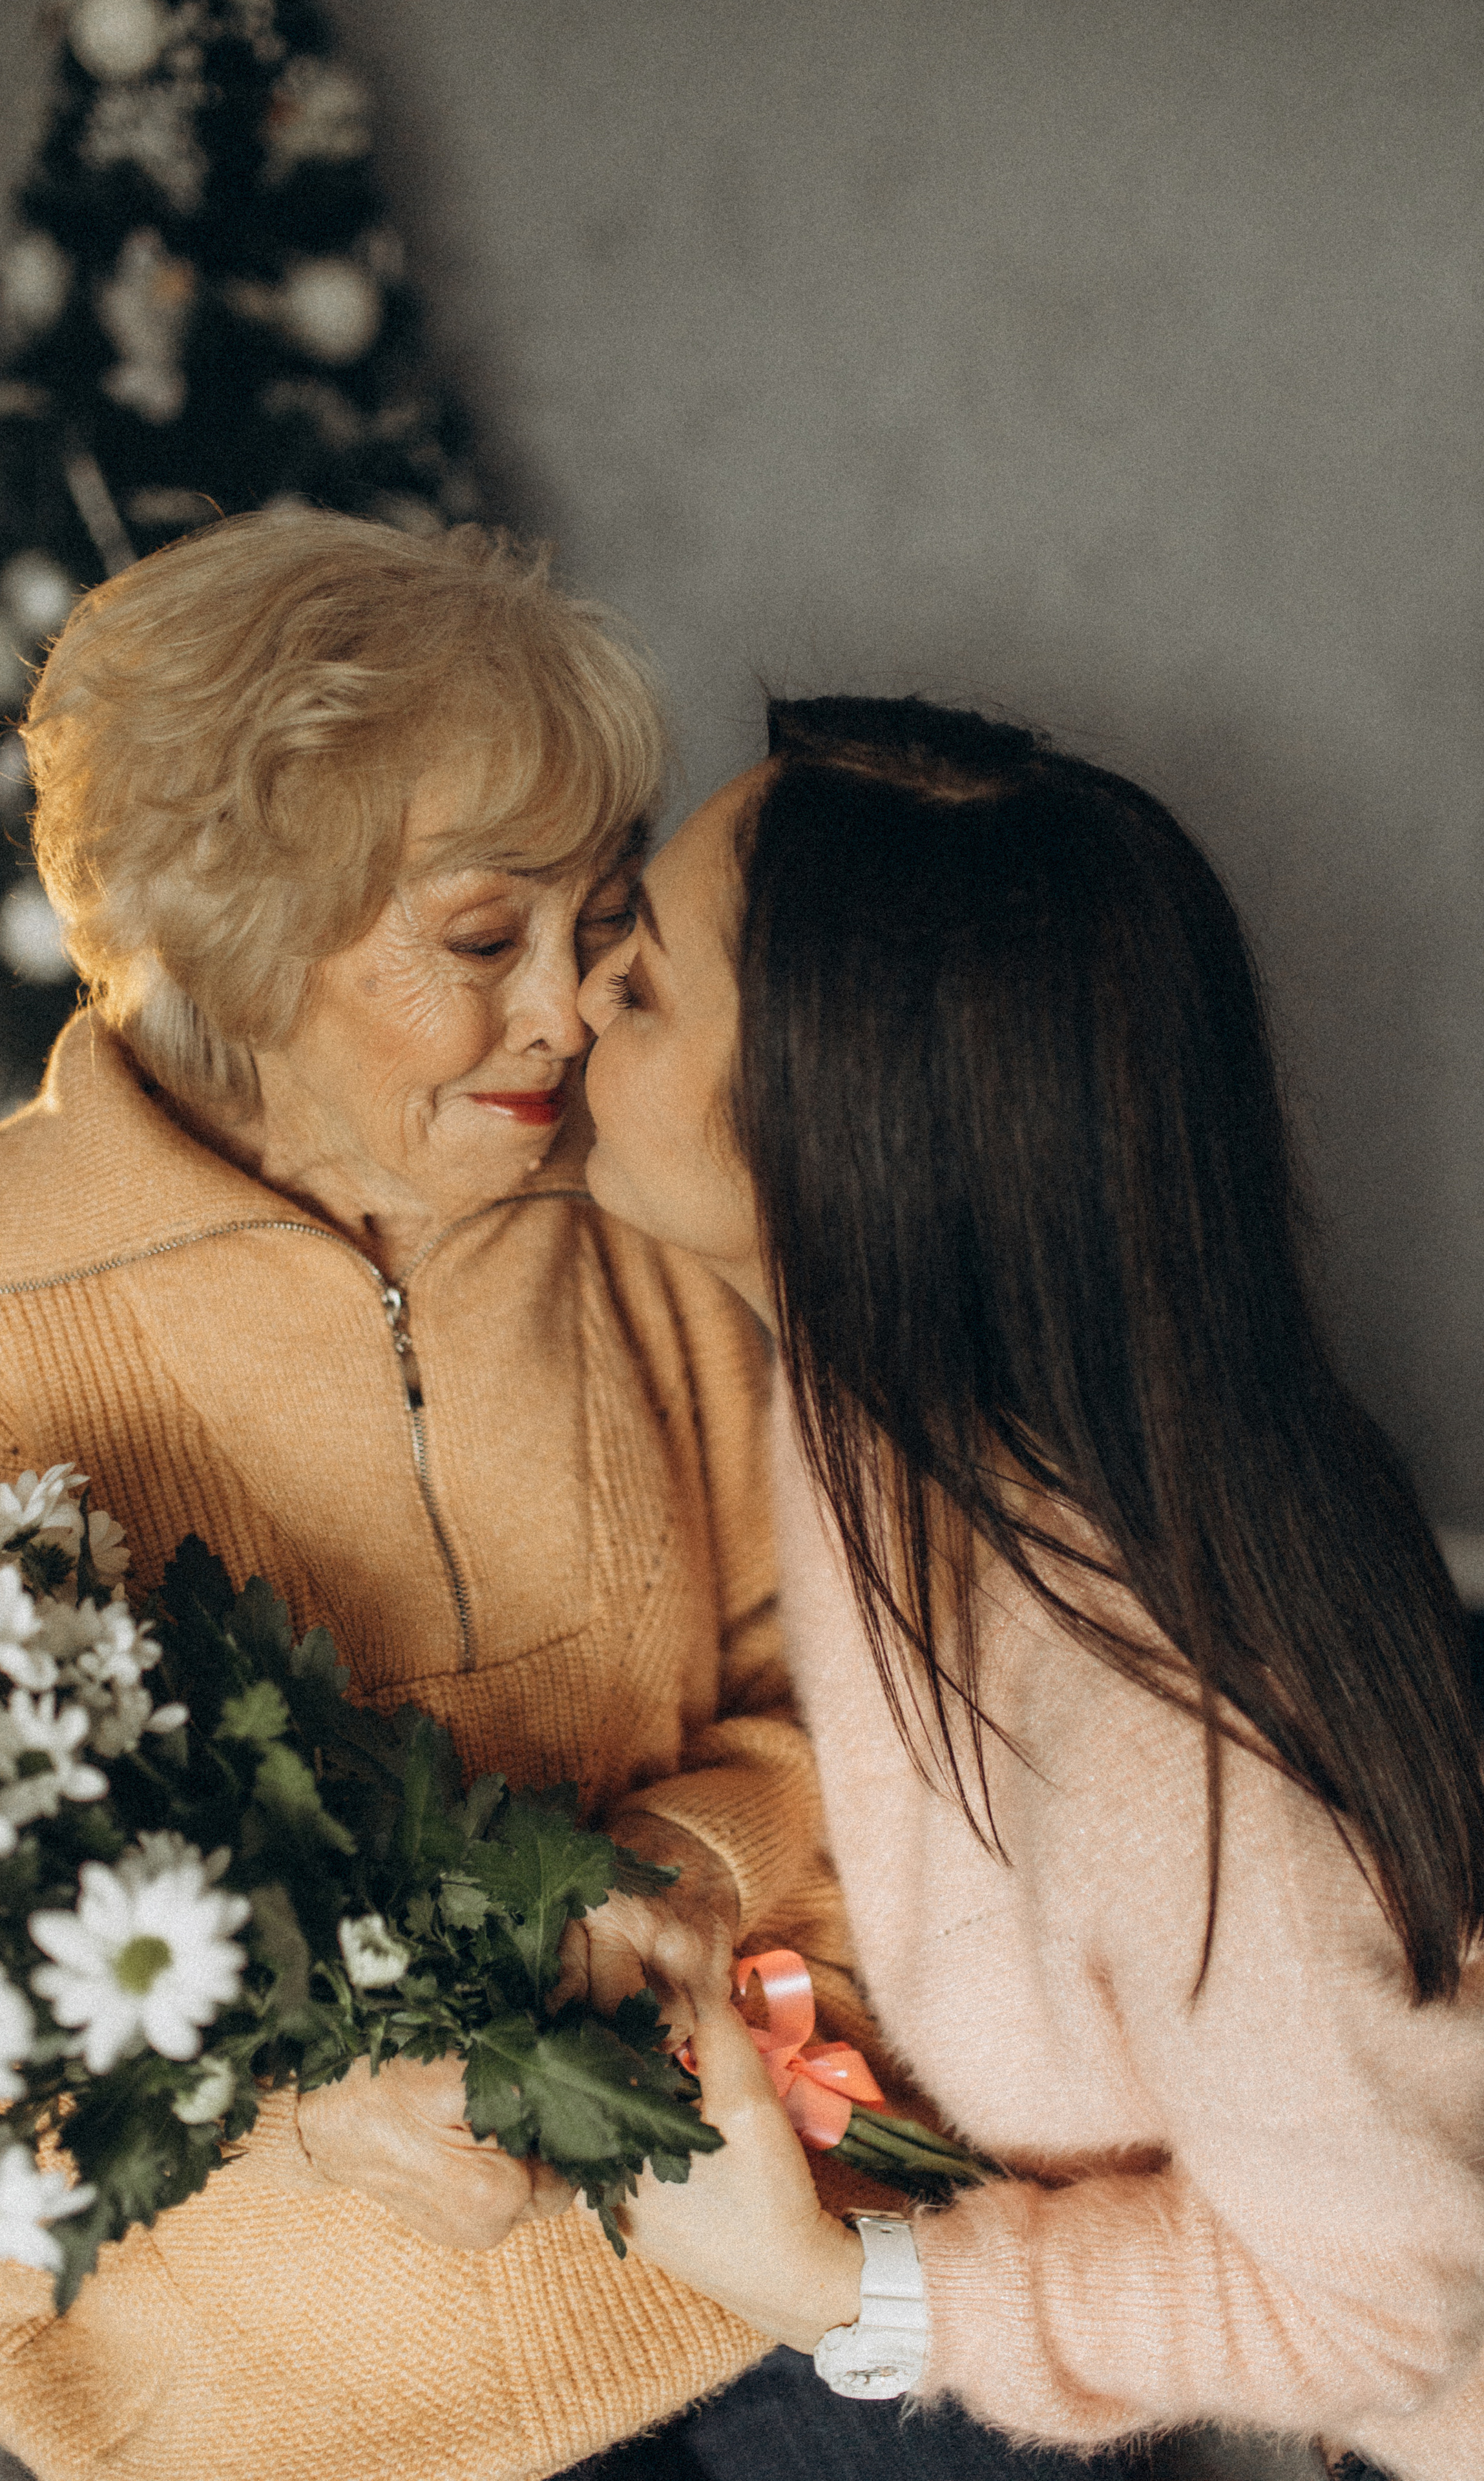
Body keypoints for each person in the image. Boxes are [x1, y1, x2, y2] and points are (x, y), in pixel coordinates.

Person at [0, 518, 854, 2481]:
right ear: (240, 934)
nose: (568, 1012)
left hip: (730, 2300)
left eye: (596, 924)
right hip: (256, 2425)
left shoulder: (630, 1208)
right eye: (484, 940)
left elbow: (866, 1707)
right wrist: (286, 2121)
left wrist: (681, 1868)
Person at [576, 696, 1484, 2481]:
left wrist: (856, 2293)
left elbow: (1392, 2307)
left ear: (830, 1130)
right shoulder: (890, 1401)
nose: (574, 1002)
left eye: (643, 984)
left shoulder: (1147, 1729)